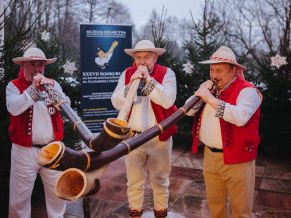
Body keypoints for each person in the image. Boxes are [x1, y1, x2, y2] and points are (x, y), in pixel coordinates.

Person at [186, 46, 263, 218]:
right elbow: (189, 111)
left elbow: (240, 117)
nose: (214, 75)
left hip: (238, 159)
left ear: (234, 71)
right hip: (210, 157)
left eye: (219, 70)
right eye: (212, 70)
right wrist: (201, 94)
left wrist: (210, 99)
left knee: (240, 210)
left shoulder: (248, 91)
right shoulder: (210, 91)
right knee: (215, 207)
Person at [111, 40, 177, 218]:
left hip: (159, 138)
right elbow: (115, 101)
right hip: (133, 138)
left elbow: (168, 100)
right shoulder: (127, 73)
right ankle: (135, 214)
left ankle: (160, 214)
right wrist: (128, 87)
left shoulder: (167, 73)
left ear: (155, 57)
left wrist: (149, 80)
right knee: (134, 181)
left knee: (160, 180)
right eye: (138, 57)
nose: (142, 62)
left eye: (147, 57)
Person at [6, 47, 70, 218]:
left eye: (41, 65)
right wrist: (33, 89)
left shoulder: (53, 84)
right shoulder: (13, 86)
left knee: (58, 192)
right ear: (23, 66)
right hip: (24, 151)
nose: (37, 69)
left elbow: (67, 105)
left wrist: (53, 89)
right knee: (19, 198)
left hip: (53, 149)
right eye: (32, 64)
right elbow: (14, 108)